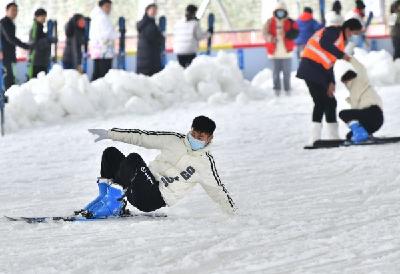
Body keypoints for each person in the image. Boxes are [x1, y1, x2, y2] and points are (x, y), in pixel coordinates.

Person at [81, 116, 237, 218]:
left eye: (200, 137)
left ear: (209, 138)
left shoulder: (205, 164)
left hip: (154, 198)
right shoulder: (174, 140)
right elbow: (143, 137)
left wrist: (234, 215)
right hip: (141, 184)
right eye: (193, 134)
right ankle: (106, 199)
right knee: (110, 154)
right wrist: (110, 134)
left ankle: (113, 203)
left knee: (134, 159)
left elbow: (217, 190)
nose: (195, 138)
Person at [296, 19, 363, 143]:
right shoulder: (334, 31)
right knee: (320, 101)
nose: (352, 37)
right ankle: (314, 138)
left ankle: (333, 136)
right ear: (348, 29)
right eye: (353, 33)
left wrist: (331, 82)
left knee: (331, 101)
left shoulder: (340, 41)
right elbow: (324, 43)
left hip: (320, 71)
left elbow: (329, 62)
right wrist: (342, 55)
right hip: (310, 68)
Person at [337, 57, 383, 143]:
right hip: (372, 123)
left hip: (374, 114)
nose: (345, 85)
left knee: (343, 114)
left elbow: (361, 68)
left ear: (349, 79)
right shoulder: (353, 95)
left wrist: (349, 59)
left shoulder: (361, 81)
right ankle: (365, 134)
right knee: (349, 136)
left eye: (345, 83)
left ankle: (361, 135)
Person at [263, 1, 299, 96]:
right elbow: (265, 33)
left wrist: (286, 34)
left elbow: (296, 33)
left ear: (285, 11)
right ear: (275, 11)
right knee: (275, 73)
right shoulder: (269, 21)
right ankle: (276, 90)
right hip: (274, 53)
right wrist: (271, 38)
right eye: (278, 10)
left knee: (287, 73)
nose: (280, 12)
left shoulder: (291, 22)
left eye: (282, 11)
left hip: (287, 52)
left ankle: (287, 89)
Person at [0, 2, 31, 90]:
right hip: (4, 56)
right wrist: (26, 46)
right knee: (7, 79)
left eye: (16, 10)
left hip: (10, 55)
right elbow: (10, 38)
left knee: (11, 78)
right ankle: (6, 101)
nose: (15, 12)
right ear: (6, 11)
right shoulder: (4, 22)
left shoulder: (11, 23)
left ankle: (10, 99)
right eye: (13, 10)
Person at [89, 0, 117, 80]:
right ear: (102, 6)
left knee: (97, 73)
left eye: (110, 7)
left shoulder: (97, 16)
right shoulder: (102, 18)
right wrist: (116, 34)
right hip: (104, 51)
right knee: (104, 75)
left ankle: (93, 90)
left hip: (98, 51)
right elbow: (107, 34)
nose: (109, 9)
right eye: (107, 6)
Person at [136, 4, 165, 76]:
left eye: (155, 10)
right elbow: (152, 37)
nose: (154, 12)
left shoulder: (149, 22)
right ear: (147, 11)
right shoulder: (148, 24)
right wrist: (161, 39)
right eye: (152, 9)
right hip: (149, 57)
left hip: (148, 56)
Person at [28, 8, 55, 79]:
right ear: (36, 17)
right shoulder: (35, 28)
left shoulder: (40, 28)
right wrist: (48, 40)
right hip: (36, 61)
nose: (44, 18)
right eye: (42, 16)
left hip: (42, 61)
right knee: (35, 83)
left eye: (45, 16)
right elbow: (35, 44)